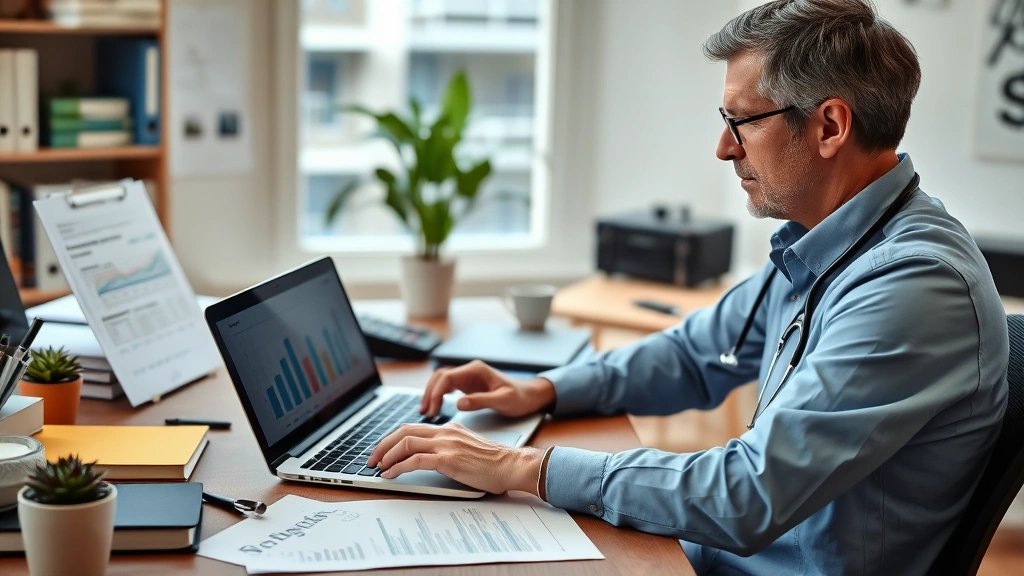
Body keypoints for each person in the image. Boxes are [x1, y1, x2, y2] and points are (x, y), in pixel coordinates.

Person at [367, 1, 1010, 573]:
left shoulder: (913, 285)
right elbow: (698, 353)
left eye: (743, 121)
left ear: (829, 127)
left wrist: (523, 467)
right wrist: (544, 390)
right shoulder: (826, 240)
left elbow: (747, 495)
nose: (723, 148)